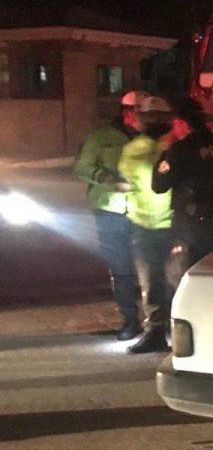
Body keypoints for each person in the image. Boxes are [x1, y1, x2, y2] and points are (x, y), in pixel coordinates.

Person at [152, 97, 213, 287]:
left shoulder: (181, 150)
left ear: (181, 123)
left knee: (182, 284)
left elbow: (158, 185)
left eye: (174, 125)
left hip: (192, 229)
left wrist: (166, 150)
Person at [72, 91, 142, 340]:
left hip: (143, 212)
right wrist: (108, 179)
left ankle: (158, 323)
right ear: (127, 113)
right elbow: (81, 167)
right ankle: (130, 322)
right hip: (110, 212)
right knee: (122, 270)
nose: (146, 118)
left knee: (150, 269)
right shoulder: (101, 137)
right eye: (140, 113)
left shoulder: (150, 138)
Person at [118, 97, 175, 354]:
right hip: (172, 224)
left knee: (152, 282)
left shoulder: (135, 148)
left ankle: (157, 332)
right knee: (170, 281)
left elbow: (128, 177)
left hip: (147, 224)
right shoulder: (174, 144)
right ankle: (167, 331)